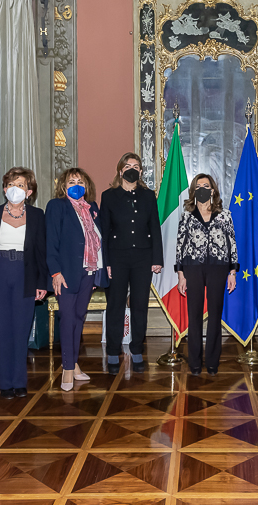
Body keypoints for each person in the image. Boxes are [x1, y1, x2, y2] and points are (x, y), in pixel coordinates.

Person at [0, 168, 48, 399]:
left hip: (25, 274)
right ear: (5, 189)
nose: (15, 189)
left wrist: (41, 283)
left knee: (21, 329)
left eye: (21, 185)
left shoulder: (37, 215)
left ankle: (19, 381)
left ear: (29, 191)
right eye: (10, 184)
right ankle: (4, 382)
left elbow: (41, 252)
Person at [100, 153, 163, 374]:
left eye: (136, 166)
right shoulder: (108, 196)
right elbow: (104, 232)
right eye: (128, 166)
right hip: (116, 257)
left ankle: (137, 350)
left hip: (143, 257)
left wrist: (157, 258)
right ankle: (113, 351)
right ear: (120, 170)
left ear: (141, 172)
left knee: (139, 305)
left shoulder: (148, 196)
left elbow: (154, 227)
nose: (132, 169)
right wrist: (105, 262)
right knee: (115, 304)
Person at [46, 168, 109, 389]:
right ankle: (67, 369)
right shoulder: (57, 206)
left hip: (88, 272)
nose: (76, 185)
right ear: (63, 186)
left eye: (80, 181)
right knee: (68, 318)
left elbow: (100, 239)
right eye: (71, 181)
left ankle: (74, 364)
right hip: (65, 273)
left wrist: (101, 269)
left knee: (80, 317)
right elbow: (50, 241)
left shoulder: (92, 208)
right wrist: (55, 272)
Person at [175, 174, 238, 375]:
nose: (203, 189)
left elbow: (232, 243)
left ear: (213, 190)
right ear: (194, 191)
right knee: (194, 316)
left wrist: (233, 271)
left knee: (214, 315)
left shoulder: (225, 214)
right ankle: (194, 362)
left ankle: (212, 362)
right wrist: (181, 275)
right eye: (199, 186)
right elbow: (180, 245)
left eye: (206, 186)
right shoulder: (186, 215)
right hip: (192, 267)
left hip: (218, 267)